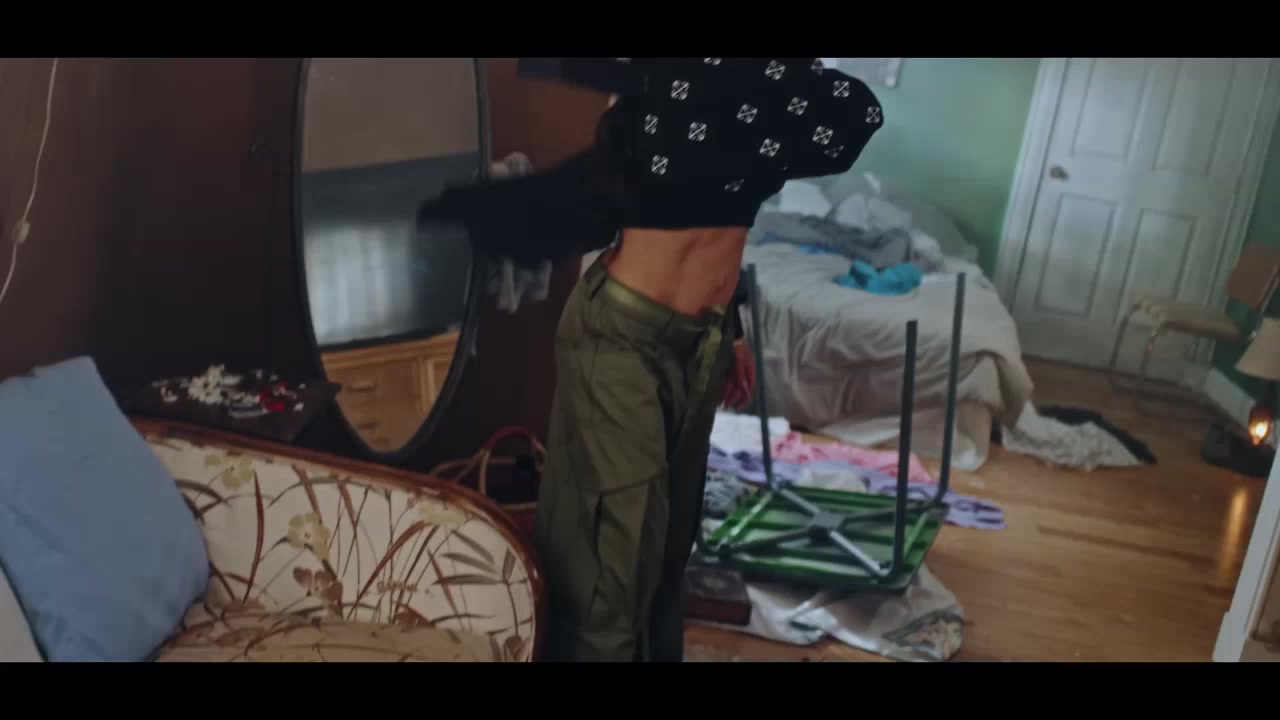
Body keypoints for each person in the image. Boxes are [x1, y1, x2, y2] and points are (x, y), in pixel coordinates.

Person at [420, 58, 883, 661]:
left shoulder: (762, 99)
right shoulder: (671, 90)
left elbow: (854, 118)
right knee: (613, 565)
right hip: (623, 339)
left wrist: (732, 329)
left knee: (664, 557)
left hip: (702, 339)